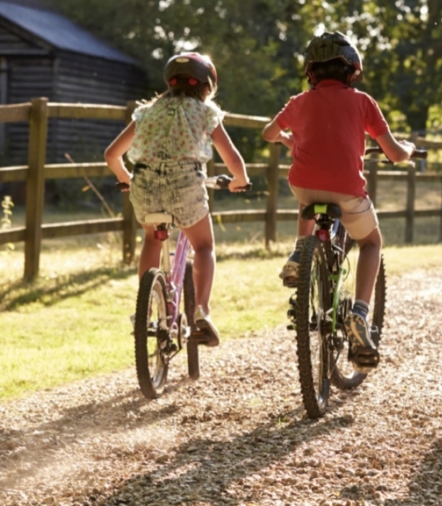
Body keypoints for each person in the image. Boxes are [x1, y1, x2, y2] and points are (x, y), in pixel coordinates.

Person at [262, 31, 415, 372]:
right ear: (352, 70)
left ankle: (299, 253)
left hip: (304, 188)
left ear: (311, 72)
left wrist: (289, 139)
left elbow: (268, 133)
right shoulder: (363, 102)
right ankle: (360, 312)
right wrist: (406, 151)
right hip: (347, 192)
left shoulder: (298, 102)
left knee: (308, 199)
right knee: (371, 242)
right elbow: (393, 151)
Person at [105, 52, 251, 347]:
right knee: (204, 246)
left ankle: (145, 309)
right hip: (186, 185)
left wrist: (125, 178)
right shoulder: (205, 113)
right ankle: (201, 312)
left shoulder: (147, 112)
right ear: (207, 86)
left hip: (144, 184)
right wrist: (240, 180)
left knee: (151, 240)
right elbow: (231, 157)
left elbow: (111, 155)